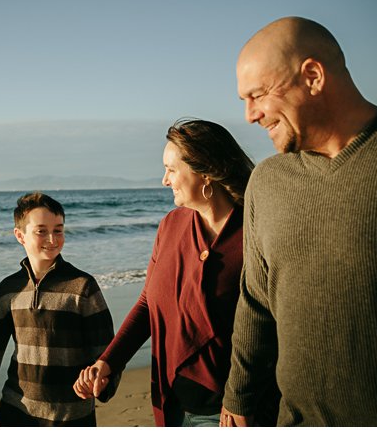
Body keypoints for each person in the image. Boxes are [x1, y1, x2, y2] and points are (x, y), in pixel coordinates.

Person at [220, 17, 377, 426]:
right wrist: (237, 398)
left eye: (257, 95)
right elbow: (257, 302)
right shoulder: (267, 181)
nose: (249, 115)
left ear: (312, 76)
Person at [74, 121, 278, 426]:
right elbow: (148, 304)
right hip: (172, 404)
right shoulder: (170, 226)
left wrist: (242, 398)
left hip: (233, 411)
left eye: (171, 169)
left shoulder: (257, 230)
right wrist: (109, 362)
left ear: (205, 171)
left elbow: (270, 328)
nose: (164, 179)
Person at [0, 192, 119, 425]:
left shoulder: (83, 287)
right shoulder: (8, 290)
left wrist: (99, 384)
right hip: (16, 413)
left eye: (58, 230)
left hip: (71, 417)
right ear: (20, 235)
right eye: (41, 230)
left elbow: (106, 351)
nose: (52, 238)